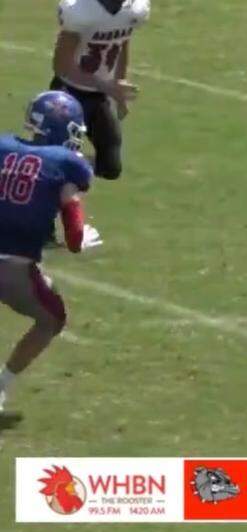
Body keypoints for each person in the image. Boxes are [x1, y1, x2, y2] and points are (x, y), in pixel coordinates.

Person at [0, 91, 101, 413]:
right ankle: (1, 386)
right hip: (12, 268)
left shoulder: (3, 146)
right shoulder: (67, 163)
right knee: (51, 319)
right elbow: (73, 227)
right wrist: (79, 239)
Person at [51, 0, 151, 181]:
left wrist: (119, 85)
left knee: (109, 167)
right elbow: (62, 66)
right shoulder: (80, 11)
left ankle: (73, 166)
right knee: (55, 163)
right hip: (67, 96)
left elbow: (122, 43)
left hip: (98, 96)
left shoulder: (134, 9)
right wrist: (106, 86)